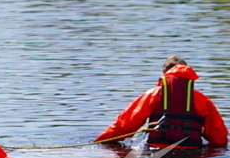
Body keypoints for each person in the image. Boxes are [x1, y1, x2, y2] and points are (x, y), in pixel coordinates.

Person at [95, 56, 228, 147]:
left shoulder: (152, 94)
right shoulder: (203, 100)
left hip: (156, 148)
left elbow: (125, 125)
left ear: (164, 74)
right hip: (192, 149)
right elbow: (219, 136)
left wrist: (101, 140)